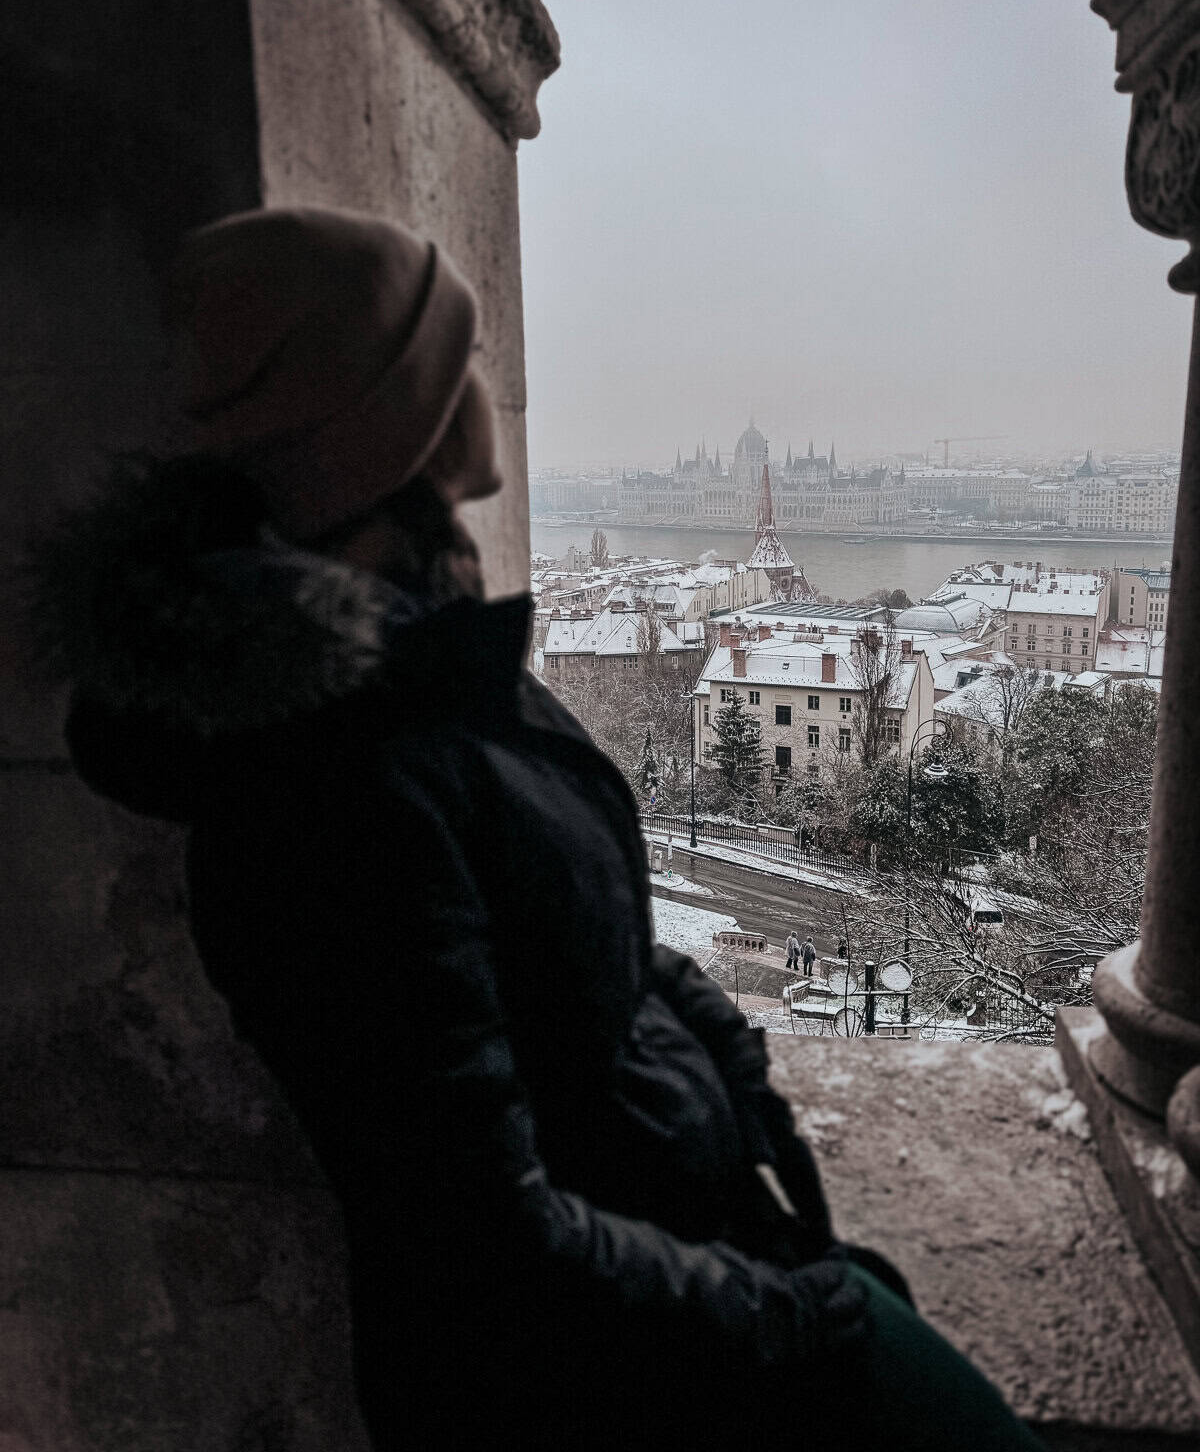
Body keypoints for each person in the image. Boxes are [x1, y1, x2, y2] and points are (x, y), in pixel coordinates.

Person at [39, 206, 1045, 1451]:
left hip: (678, 1260)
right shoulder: (330, 789)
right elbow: (477, 1233)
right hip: (595, 1374)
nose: (481, 408)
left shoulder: (407, 659)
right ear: (382, 442)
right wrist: (789, 1314)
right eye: (450, 371)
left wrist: (720, 1048)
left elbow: (560, 928)